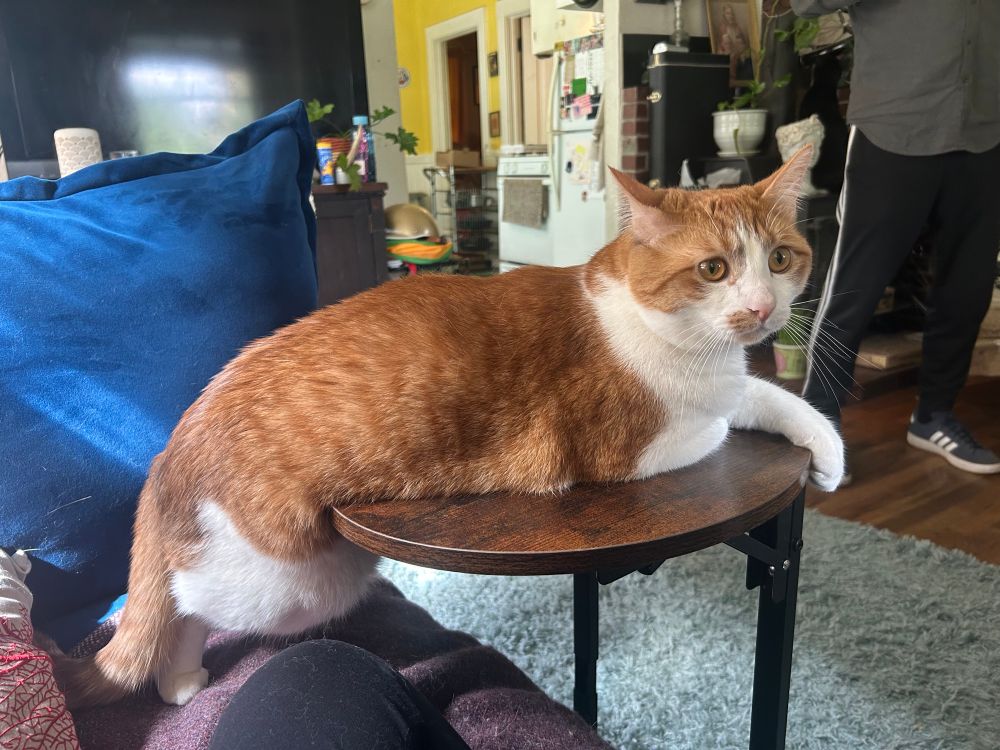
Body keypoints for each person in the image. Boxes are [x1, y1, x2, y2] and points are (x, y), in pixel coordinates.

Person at [792, 0, 1000, 482]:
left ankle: (933, 417)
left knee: (967, 289)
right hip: (894, 126)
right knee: (854, 286)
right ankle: (817, 423)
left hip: (983, 130)